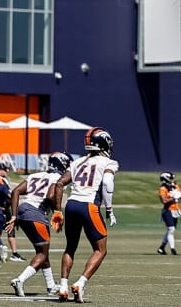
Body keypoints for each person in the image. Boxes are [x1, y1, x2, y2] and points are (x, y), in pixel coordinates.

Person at [56, 127, 118, 302]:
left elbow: (59, 184)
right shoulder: (109, 163)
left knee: (70, 247)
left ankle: (62, 286)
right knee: (100, 249)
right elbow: (107, 182)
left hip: (71, 204)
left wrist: (57, 210)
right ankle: (80, 283)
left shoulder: (77, 162)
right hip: (89, 205)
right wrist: (109, 209)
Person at [7, 151, 71, 297]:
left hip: (23, 209)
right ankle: (20, 280)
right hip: (36, 213)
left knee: (42, 250)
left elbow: (15, 191)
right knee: (43, 252)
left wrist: (14, 215)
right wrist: (57, 211)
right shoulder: (58, 178)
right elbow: (50, 195)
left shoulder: (36, 175)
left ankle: (50, 286)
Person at [155, 172, 181, 255]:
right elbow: (164, 201)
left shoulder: (175, 186)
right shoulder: (163, 189)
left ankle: (162, 247)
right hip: (168, 210)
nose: (172, 180)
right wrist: (173, 197)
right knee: (171, 229)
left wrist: (179, 194)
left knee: (171, 230)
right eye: (171, 178)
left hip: (175, 210)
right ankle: (173, 249)